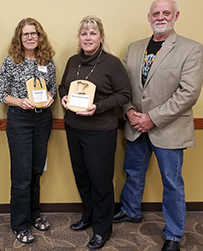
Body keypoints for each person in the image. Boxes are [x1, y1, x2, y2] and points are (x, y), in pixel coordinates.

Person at [113, 0, 203, 251]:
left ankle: (174, 234)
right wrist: (130, 111)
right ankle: (131, 210)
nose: (160, 17)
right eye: (156, 13)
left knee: (172, 183)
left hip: (168, 129)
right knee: (133, 173)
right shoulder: (134, 48)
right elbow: (123, 87)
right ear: (149, 17)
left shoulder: (191, 48)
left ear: (176, 16)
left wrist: (152, 118)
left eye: (166, 13)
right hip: (135, 126)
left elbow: (189, 93)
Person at [59, 16, 131, 249]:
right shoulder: (72, 61)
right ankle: (88, 216)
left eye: (92, 33)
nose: (87, 37)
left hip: (100, 132)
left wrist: (98, 107)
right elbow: (63, 86)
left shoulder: (112, 64)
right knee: (83, 178)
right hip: (73, 128)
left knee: (101, 181)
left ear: (101, 37)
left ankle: (102, 229)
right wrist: (64, 97)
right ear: (78, 38)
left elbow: (124, 95)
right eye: (84, 34)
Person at [0, 17, 56, 244]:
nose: (30, 38)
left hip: (43, 120)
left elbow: (53, 89)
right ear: (19, 38)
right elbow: (1, 94)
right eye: (25, 34)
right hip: (20, 120)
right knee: (21, 175)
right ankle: (19, 224)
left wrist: (50, 97)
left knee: (36, 170)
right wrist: (19, 101)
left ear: (40, 37)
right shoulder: (11, 61)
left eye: (34, 33)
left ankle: (34, 215)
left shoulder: (47, 61)